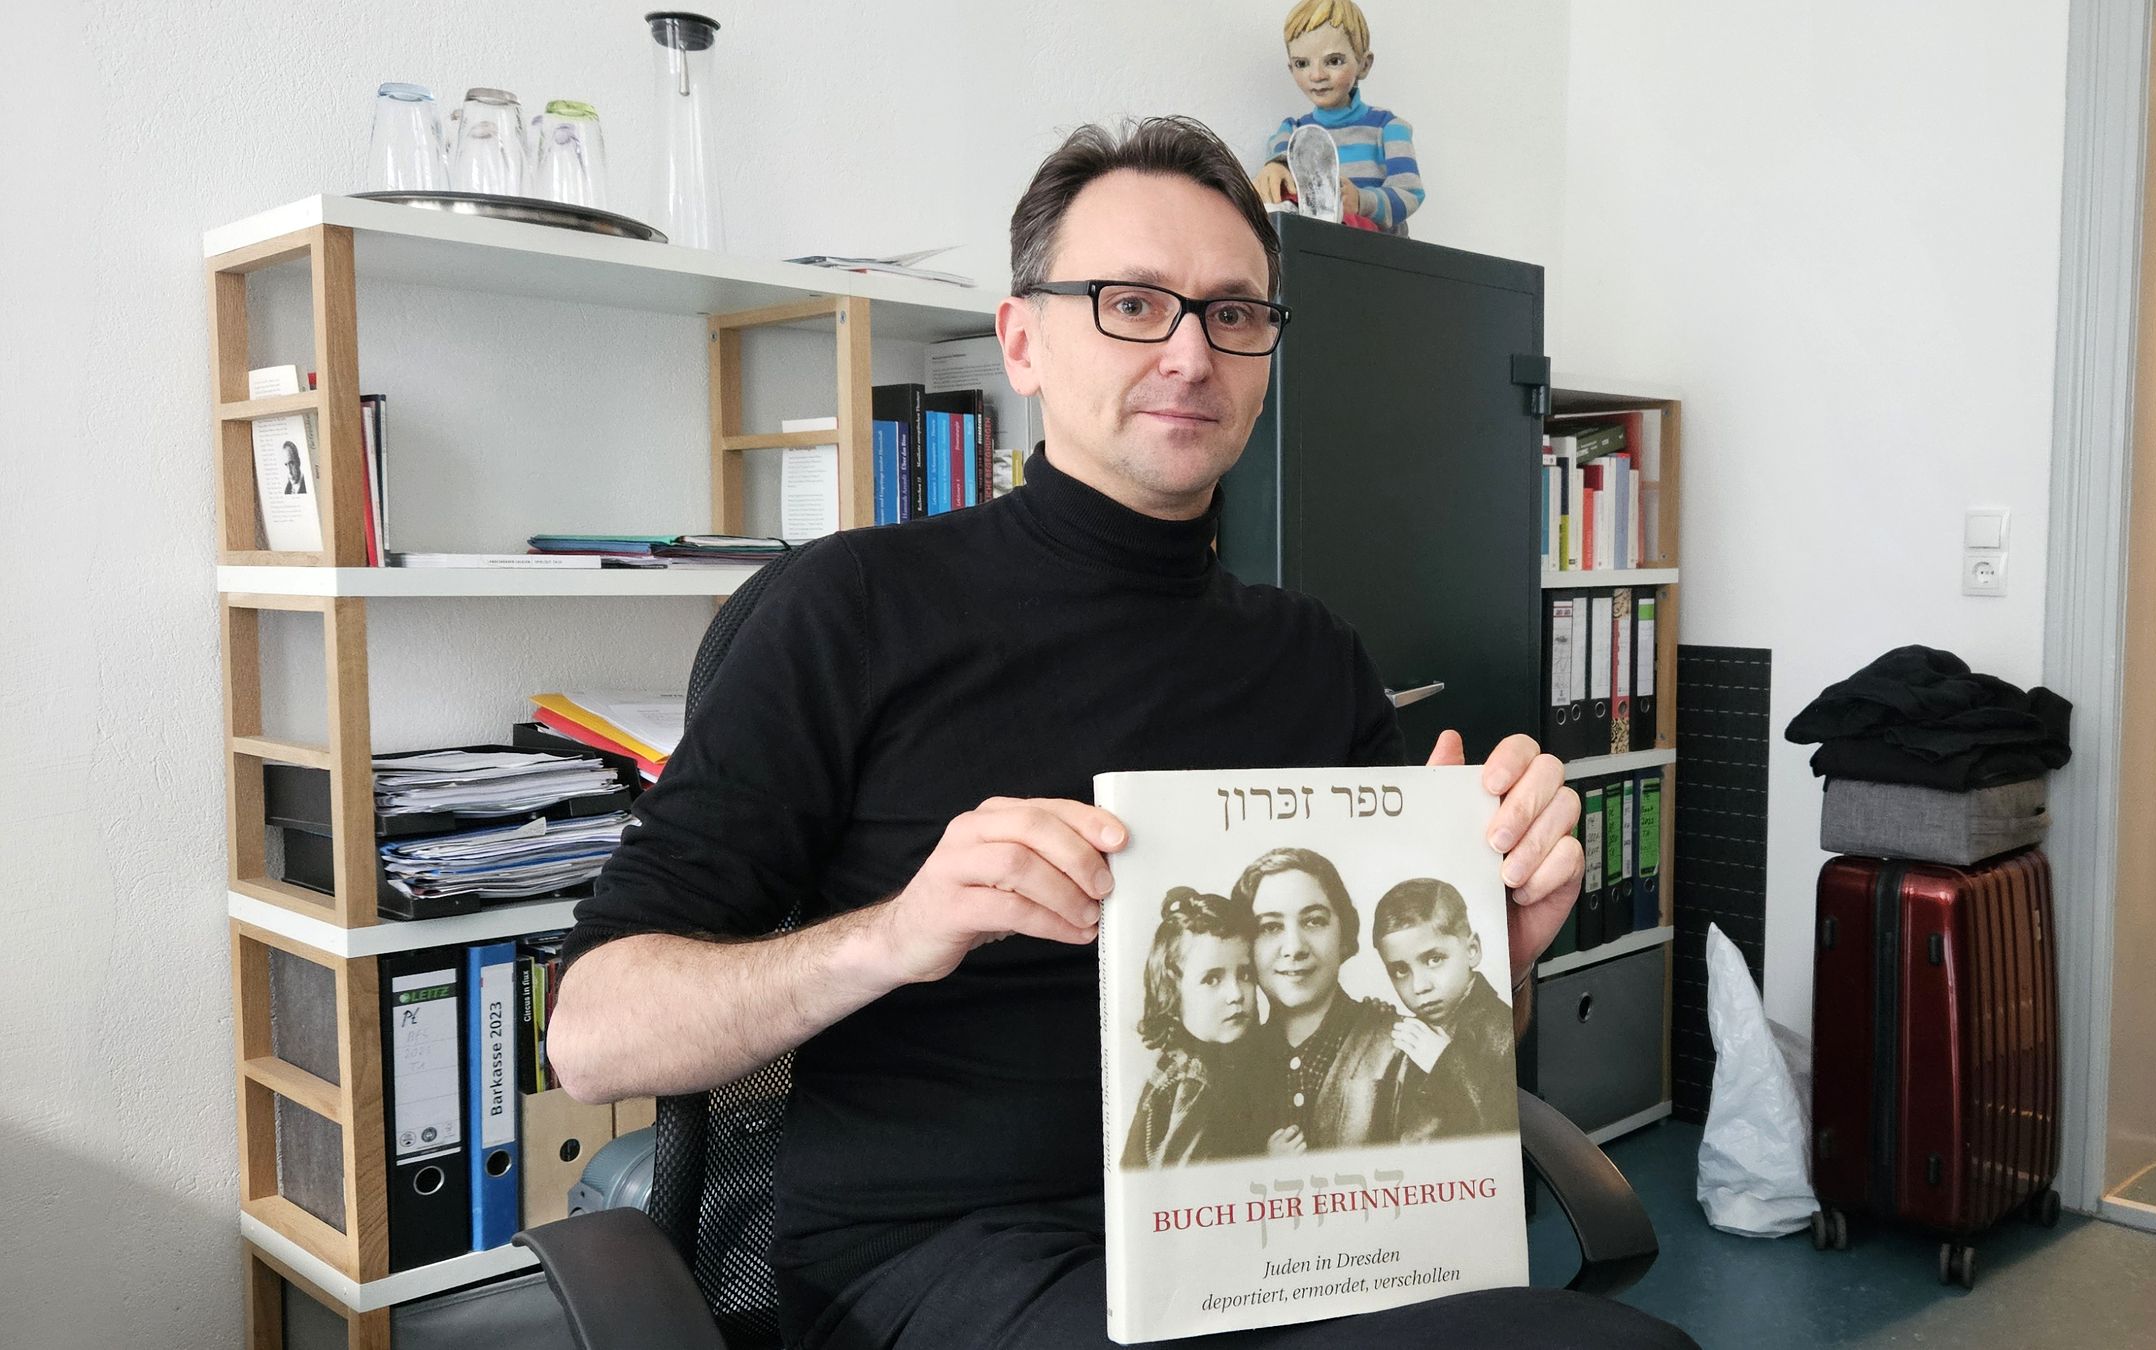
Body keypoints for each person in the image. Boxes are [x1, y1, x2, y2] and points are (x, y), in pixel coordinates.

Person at [546, 116, 1691, 1350]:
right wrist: (894, 935)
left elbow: (1426, 1038)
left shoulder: (1311, 656)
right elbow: (593, 1035)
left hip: (1284, 1232)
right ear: (1024, 340)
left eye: (1234, 314)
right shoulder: (849, 611)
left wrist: (1493, 961)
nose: (1192, 354)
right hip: (946, 1258)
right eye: (1133, 303)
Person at [1233, 846, 1418, 1151]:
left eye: (1314, 921)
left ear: (1344, 934)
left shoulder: (1406, 1049)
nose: (1294, 947)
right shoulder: (1231, 1065)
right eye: (1270, 927)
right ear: (1244, 947)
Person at [1121, 886, 1278, 1169]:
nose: (1235, 994)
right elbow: (1191, 1193)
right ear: (1172, 991)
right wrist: (1270, 1162)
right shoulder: (1193, 1082)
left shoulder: (1208, 1059)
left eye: (1244, 974)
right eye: (1212, 979)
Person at [1252, 0, 1426, 235]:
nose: (1317, 75)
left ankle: (1335, 220)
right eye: (1302, 64)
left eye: (1334, 61)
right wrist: (1273, 171)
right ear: (1291, 69)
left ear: (1364, 65)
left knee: (1348, 227)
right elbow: (1278, 165)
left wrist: (1362, 200)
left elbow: (1410, 192)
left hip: (1372, 251)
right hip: (1313, 246)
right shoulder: (1293, 131)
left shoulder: (1389, 128)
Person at [1374, 877, 1517, 1138]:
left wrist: (1445, 1063)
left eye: (1434, 959)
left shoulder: (1501, 1030)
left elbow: (1503, 1128)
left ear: (1472, 950)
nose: (1419, 986)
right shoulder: (1411, 1028)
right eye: (1400, 970)